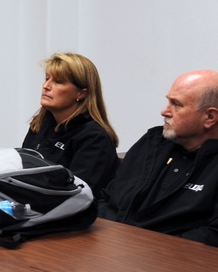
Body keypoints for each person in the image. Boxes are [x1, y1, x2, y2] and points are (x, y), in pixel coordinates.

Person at [99, 69, 218, 246]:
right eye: (167, 101)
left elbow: (212, 235)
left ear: (209, 117)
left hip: (170, 263)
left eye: (176, 104)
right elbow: (107, 198)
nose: (164, 111)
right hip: (108, 245)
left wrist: (145, 250)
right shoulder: (151, 143)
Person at [22, 52, 119, 197]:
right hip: (33, 203)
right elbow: (22, 170)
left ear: (81, 93)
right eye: (47, 79)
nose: (46, 86)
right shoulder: (40, 124)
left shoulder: (94, 138)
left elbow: (78, 193)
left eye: (58, 82)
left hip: (74, 213)